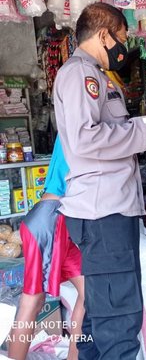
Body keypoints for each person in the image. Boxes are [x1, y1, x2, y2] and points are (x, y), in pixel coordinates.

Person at [53, 2, 146, 359]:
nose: (123, 46)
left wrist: (143, 127)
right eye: (122, 37)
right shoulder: (80, 75)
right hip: (101, 213)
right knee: (118, 317)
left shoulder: (96, 75)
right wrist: (145, 126)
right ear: (104, 35)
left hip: (106, 210)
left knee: (100, 314)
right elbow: (86, 139)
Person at [8, 137, 84, 360]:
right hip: (49, 220)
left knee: (91, 291)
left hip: (59, 220)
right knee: (33, 301)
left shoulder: (75, 124)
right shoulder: (78, 124)